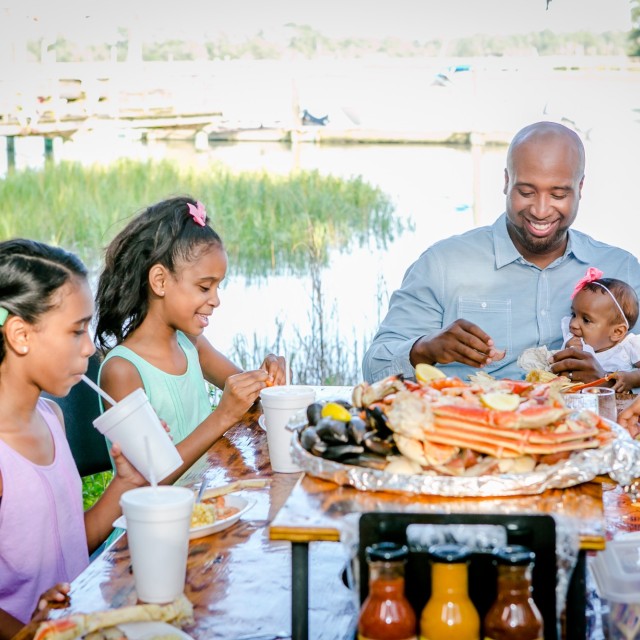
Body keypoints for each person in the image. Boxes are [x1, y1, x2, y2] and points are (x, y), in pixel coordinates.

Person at [362, 121, 640, 384]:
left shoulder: (623, 268)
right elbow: (374, 369)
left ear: (580, 188)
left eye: (558, 195)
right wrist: (424, 349)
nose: (541, 211)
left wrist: (607, 380)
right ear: (506, 182)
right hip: (473, 428)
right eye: (527, 192)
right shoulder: (442, 266)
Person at [0, 239, 145, 637]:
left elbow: (70, 542)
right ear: (20, 335)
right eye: (77, 330)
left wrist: (126, 482)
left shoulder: (52, 418)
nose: (89, 348)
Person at [94, 196, 285, 482]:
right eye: (204, 287)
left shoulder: (191, 344)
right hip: (156, 521)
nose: (216, 300)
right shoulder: (122, 371)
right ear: (160, 281)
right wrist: (222, 416)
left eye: (218, 287)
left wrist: (266, 375)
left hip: (206, 501)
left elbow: (248, 396)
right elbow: (151, 478)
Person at [561, 267, 640, 392]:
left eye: (586, 320)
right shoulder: (573, 340)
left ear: (617, 332)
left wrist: (632, 378)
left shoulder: (630, 345)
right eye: (573, 315)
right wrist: (568, 350)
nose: (573, 324)